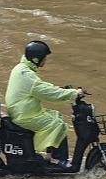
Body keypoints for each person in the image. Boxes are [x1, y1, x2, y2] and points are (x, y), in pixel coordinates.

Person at [5, 40, 85, 169]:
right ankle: (57, 159)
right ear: (36, 59)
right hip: (25, 115)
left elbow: (41, 86)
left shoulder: (22, 68)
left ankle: (49, 155)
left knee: (56, 116)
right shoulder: (27, 75)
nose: (46, 60)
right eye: (44, 58)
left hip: (22, 110)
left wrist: (62, 89)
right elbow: (47, 93)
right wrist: (73, 94)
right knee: (58, 124)